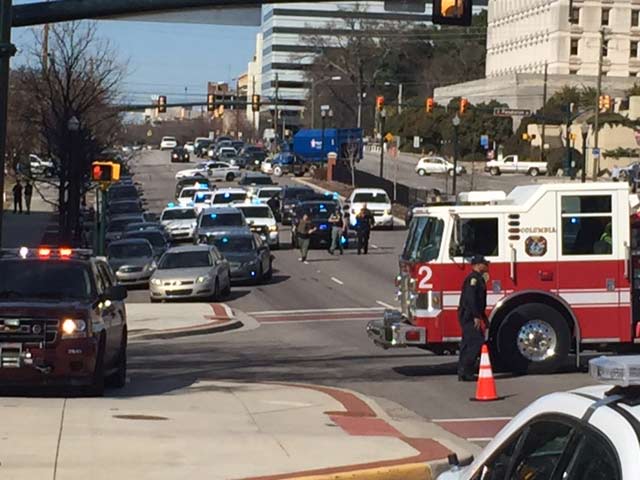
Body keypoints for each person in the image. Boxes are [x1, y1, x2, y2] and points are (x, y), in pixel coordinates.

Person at [457, 255, 489, 382]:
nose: (486, 266)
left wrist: (484, 318)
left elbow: (479, 302)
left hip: (471, 315)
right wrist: (476, 316)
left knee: (467, 343)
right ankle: (467, 371)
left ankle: (462, 372)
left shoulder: (478, 278)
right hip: (469, 315)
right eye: (484, 263)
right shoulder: (473, 279)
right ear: (477, 265)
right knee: (476, 342)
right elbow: (471, 299)